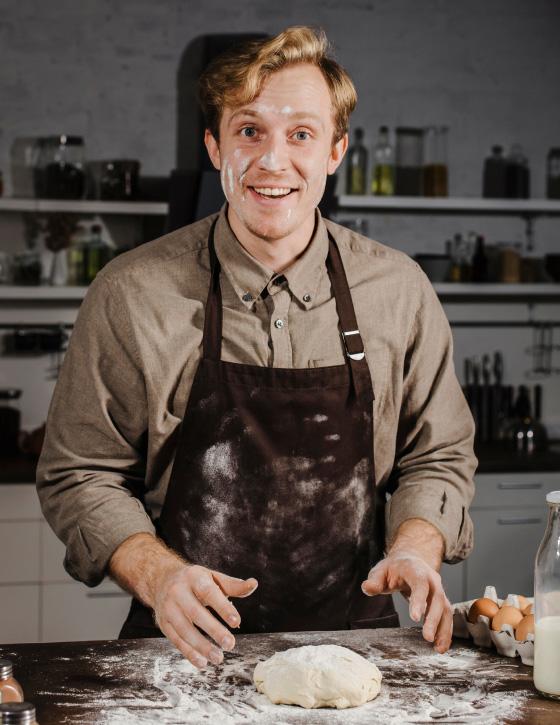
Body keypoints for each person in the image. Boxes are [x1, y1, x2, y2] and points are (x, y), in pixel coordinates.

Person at [36, 25, 476, 670]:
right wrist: (158, 575)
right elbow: (79, 472)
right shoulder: (132, 293)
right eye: (249, 131)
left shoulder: (398, 291)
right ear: (215, 147)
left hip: (361, 658)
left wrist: (415, 546)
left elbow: (437, 455)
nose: (273, 161)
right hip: (182, 658)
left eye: (300, 134)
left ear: (335, 150)